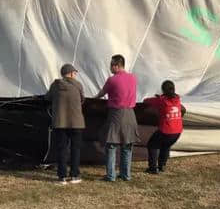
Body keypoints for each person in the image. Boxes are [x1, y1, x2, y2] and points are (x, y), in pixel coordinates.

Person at [93, 54, 139, 182]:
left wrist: (93, 99)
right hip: (131, 114)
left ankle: (111, 175)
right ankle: (126, 175)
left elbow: (102, 93)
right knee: (127, 146)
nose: (110, 68)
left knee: (111, 145)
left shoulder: (112, 80)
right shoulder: (133, 78)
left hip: (116, 114)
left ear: (116, 66)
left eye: (111, 65)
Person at [45, 63, 85, 185]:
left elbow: (47, 98)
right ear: (72, 73)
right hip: (76, 122)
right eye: (75, 73)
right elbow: (83, 99)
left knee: (62, 149)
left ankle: (62, 177)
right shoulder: (78, 85)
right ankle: (74, 176)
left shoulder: (55, 85)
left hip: (60, 123)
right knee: (75, 149)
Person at [143, 80, 186, 174]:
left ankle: (153, 168)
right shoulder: (177, 99)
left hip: (166, 130)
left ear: (163, 90)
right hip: (177, 131)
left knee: (152, 145)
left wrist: (159, 98)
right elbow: (181, 108)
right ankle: (161, 166)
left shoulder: (161, 101)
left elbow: (146, 101)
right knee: (166, 146)